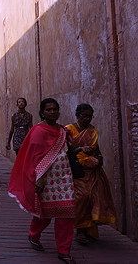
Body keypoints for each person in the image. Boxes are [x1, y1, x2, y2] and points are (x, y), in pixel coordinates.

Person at [8, 98, 77, 264]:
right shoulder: (39, 131)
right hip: (46, 179)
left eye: (55, 109)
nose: (52, 112)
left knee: (66, 214)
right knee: (44, 214)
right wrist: (39, 179)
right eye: (48, 110)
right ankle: (33, 235)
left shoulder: (63, 131)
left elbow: (68, 151)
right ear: (42, 112)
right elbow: (36, 156)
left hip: (64, 178)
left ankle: (64, 251)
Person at [66, 104, 116, 245]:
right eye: (84, 116)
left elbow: (97, 149)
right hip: (78, 170)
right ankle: (80, 230)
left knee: (94, 198)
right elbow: (66, 151)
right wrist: (80, 149)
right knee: (82, 197)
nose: (87, 119)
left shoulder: (92, 130)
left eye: (90, 116)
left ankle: (89, 229)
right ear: (78, 115)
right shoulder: (68, 130)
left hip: (93, 171)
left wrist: (99, 158)